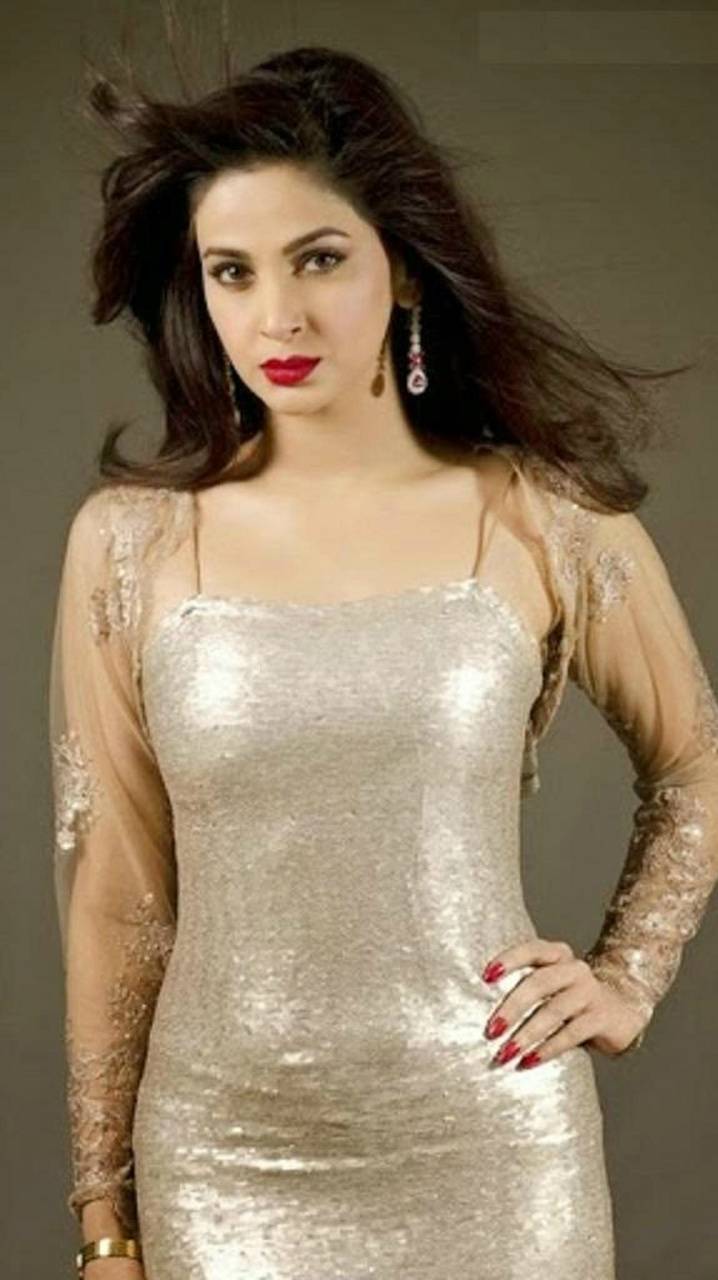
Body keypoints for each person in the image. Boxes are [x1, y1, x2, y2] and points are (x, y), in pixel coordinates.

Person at [49, 39, 718, 1280]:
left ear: (401, 266)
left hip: (493, 1141)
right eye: (232, 271)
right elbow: (117, 894)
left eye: (319, 259)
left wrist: (625, 977)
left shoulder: (543, 515)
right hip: (222, 1157)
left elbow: (695, 765)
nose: (277, 317)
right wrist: (105, 1217)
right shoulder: (129, 541)